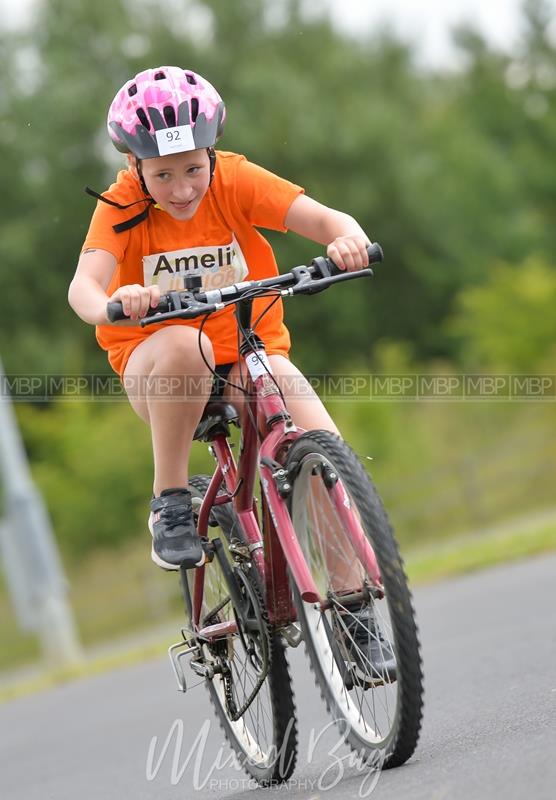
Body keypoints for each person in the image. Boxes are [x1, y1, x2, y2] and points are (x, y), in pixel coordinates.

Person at [68, 65, 395, 681]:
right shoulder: (119, 206)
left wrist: (348, 240)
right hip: (160, 365)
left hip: (251, 352)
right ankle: (170, 499)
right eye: (162, 174)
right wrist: (119, 299)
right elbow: (83, 288)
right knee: (186, 346)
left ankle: (353, 613)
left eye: (193, 169)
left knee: (323, 457)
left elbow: (327, 221)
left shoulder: (237, 179)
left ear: (212, 153)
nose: (183, 188)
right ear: (136, 166)